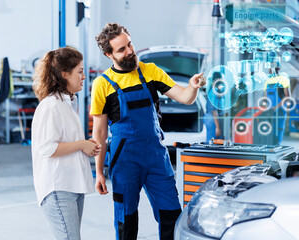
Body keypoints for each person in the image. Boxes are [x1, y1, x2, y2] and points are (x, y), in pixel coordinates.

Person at [90, 23, 206, 240]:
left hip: (155, 157)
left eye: (130, 44)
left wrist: (192, 86)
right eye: (121, 49)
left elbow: (185, 97)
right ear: (109, 54)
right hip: (124, 160)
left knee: (171, 213)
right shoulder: (102, 84)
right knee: (127, 220)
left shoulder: (150, 71)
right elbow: (99, 134)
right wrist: (99, 172)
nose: (130, 51)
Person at [31, 46, 101, 240]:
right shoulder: (51, 106)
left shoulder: (67, 103)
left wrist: (86, 146)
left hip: (72, 186)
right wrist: (80, 145)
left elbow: (66, 141)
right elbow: (47, 148)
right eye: (79, 72)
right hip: (58, 189)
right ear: (64, 74)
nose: (84, 77)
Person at [264, 67, 290, 144]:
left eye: (270, 68)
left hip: (280, 110)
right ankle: (271, 146)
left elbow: (287, 97)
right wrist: (265, 106)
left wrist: (277, 106)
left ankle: (277, 146)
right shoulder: (267, 81)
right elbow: (265, 97)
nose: (269, 70)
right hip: (269, 110)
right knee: (269, 129)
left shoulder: (283, 80)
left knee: (279, 129)